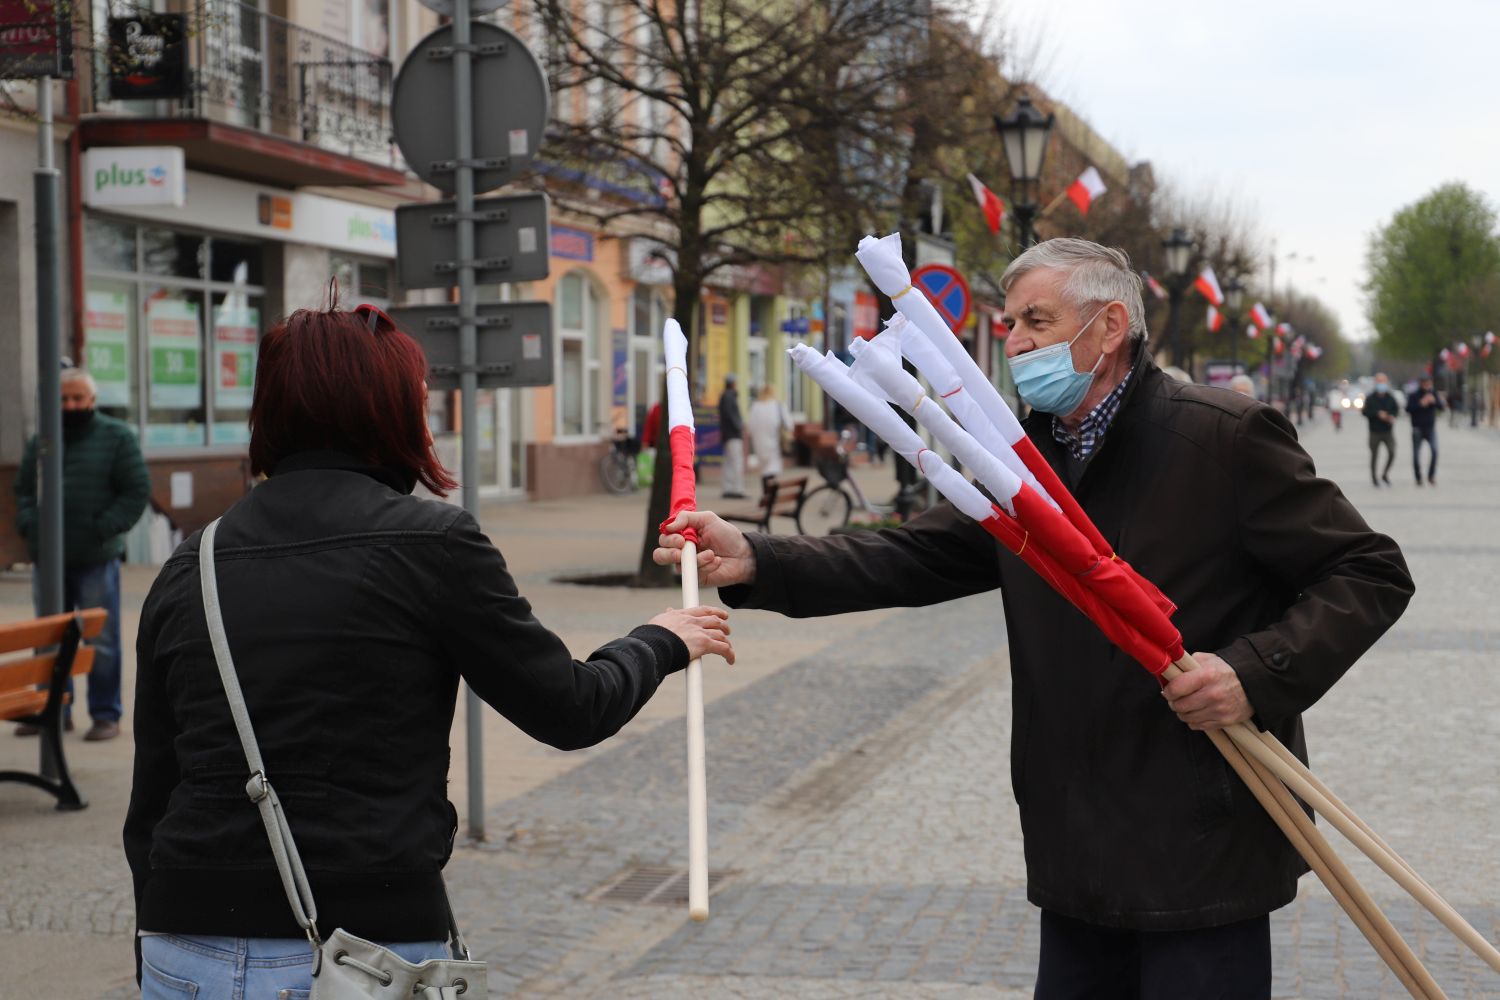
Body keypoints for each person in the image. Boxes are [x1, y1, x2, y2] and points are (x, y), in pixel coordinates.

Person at [655, 239, 1412, 999]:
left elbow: (1368, 571)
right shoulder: (1017, 458)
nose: (1013, 342)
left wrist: (1252, 673)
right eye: (1010, 322)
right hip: (1076, 841)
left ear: (1109, 326)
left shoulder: (1223, 436)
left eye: (1035, 322)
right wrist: (756, 558)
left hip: (1203, 841)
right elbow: (915, 557)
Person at [124, 303, 734, 997]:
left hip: (183, 946)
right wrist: (662, 639)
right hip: (359, 950)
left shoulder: (190, 563)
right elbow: (570, 708)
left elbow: (152, 796)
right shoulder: (432, 545)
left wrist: (158, 941)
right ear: (390, 415)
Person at [13, 367, 150, 742]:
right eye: (63, 399)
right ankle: (54, 709)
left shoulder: (116, 436)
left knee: (100, 640)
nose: (70, 405)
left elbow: (136, 491)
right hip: (49, 558)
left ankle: (105, 714)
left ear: (92, 400)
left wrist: (103, 528)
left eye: (77, 398)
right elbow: (23, 489)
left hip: (95, 557)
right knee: (48, 638)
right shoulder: (42, 438)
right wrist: (30, 524)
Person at [745, 384, 793, 477]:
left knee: (764, 470)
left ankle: (766, 489)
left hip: (759, 444)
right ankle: (771, 490)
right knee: (772, 470)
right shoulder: (778, 406)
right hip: (774, 444)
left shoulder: (755, 406)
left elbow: (750, 426)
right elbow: (789, 425)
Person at [1363, 373, 1400, 486]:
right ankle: (1374, 478)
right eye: (1379, 381)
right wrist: (1377, 414)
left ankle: (1384, 473)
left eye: (1383, 381)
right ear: (1375, 383)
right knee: (1374, 455)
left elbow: (1396, 410)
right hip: (1374, 431)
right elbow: (1365, 412)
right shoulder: (1370, 398)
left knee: (1392, 452)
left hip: (1388, 431)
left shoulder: (1390, 397)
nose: (1381, 384)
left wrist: (1391, 416)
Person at [1406, 375, 1443, 486]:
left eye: (1428, 383)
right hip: (1417, 428)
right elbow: (1408, 409)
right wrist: (1421, 403)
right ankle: (1418, 477)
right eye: (1425, 383)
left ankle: (1431, 476)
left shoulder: (1433, 394)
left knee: (1435, 451)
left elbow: (1441, 407)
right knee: (1416, 455)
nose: (1427, 385)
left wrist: (1434, 401)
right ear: (1421, 383)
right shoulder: (1414, 395)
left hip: (1430, 428)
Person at [719, 372, 746, 498]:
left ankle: (728, 488)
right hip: (733, 435)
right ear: (734, 383)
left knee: (729, 462)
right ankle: (737, 489)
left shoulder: (725, 396)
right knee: (736, 462)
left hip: (727, 434)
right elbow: (732, 416)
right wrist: (739, 427)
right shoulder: (730, 396)